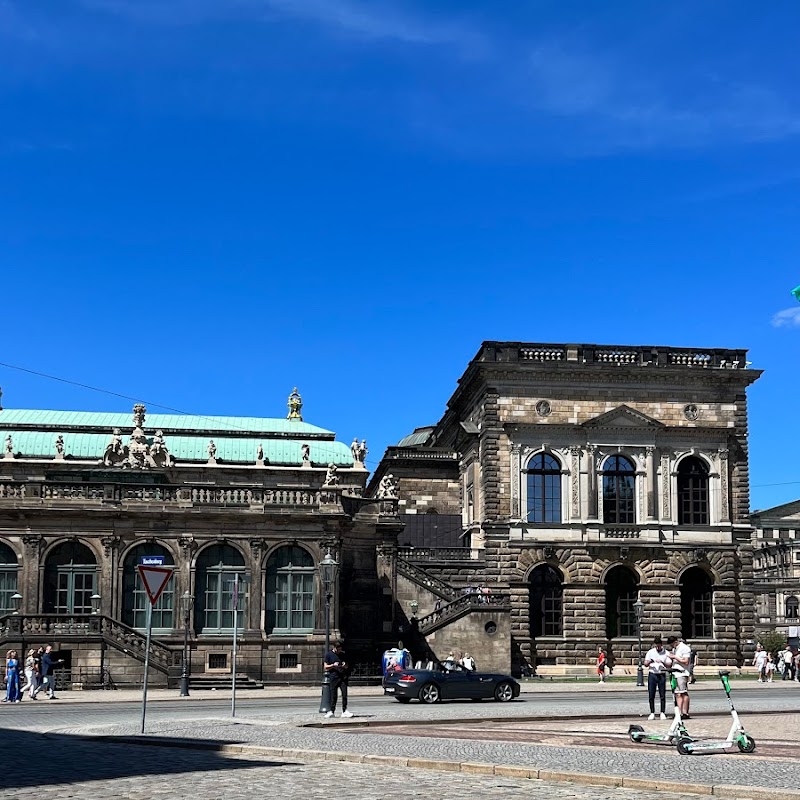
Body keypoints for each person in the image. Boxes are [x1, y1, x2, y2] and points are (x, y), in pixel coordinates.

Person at [643, 636, 671, 720]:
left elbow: (669, 664)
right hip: (653, 674)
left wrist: (662, 662)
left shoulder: (666, 653)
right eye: (656, 646)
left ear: (661, 645)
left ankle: (662, 712)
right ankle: (652, 712)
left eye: (659, 646)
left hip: (661, 674)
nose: (657, 648)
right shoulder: (650, 652)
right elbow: (645, 663)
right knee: (651, 694)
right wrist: (650, 661)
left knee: (662, 694)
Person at [666, 635, 691, 718]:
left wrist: (675, 657)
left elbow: (686, 661)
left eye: (672, 644)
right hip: (675, 673)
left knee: (683, 692)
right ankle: (679, 712)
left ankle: (685, 712)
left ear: (676, 642)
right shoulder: (675, 649)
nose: (671, 646)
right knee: (677, 694)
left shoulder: (684, 648)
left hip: (682, 673)